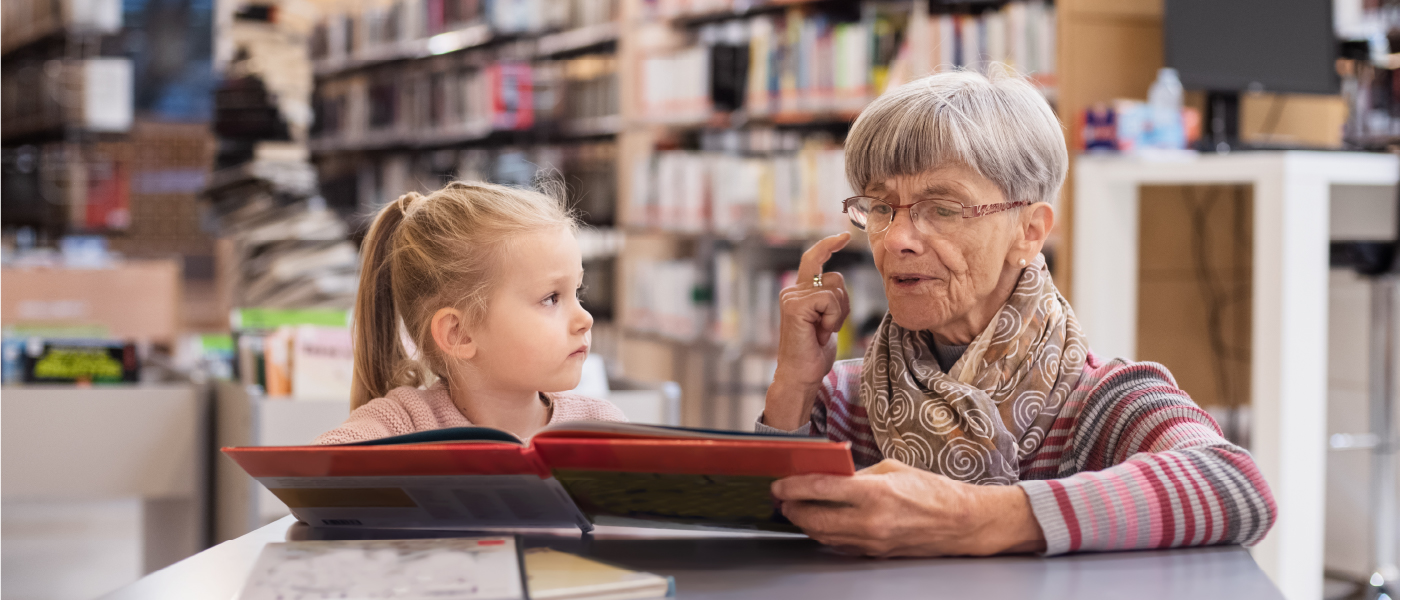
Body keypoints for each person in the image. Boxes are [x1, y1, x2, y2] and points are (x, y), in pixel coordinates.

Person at [758, 68, 1276, 557]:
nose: (895, 239)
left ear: (1029, 231)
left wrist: (969, 517)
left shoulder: (1100, 401)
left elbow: (1237, 488)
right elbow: (756, 537)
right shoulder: (845, 399)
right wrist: (794, 385)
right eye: (878, 207)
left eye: (942, 208)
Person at [315, 181, 626, 445]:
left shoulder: (600, 428)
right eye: (551, 299)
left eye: (578, 292)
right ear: (458, 333)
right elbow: (314, 474)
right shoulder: (405, 424)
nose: (585, 319)